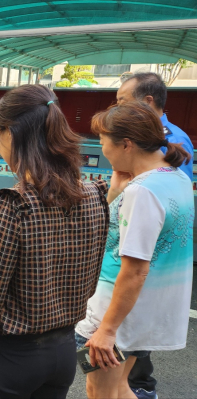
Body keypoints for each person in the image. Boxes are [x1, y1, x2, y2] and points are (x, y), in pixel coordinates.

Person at [0, 85, 110, 398]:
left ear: (12, 134)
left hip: (11, 359)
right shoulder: (93, 195)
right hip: (62, 351)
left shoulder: (10, 204)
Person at [75, 102, 193, 399]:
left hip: (116, 312)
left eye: (102, 143)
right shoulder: (177, 176)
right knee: (120, 386)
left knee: (99, 390)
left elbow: (135, 269)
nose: (102, 151)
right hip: (147, 310)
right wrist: (115, 192)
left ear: (126, 144)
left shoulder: (142, 192)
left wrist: (106, 330)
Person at [116, 71, 194, 399]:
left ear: (148, 102)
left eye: (121, 101)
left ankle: (141, 387)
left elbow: (170, 207)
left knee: (132, 325)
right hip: (129, 239)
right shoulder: (136, 137)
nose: (115, 108)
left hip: (146, 251)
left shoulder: (172, 140)